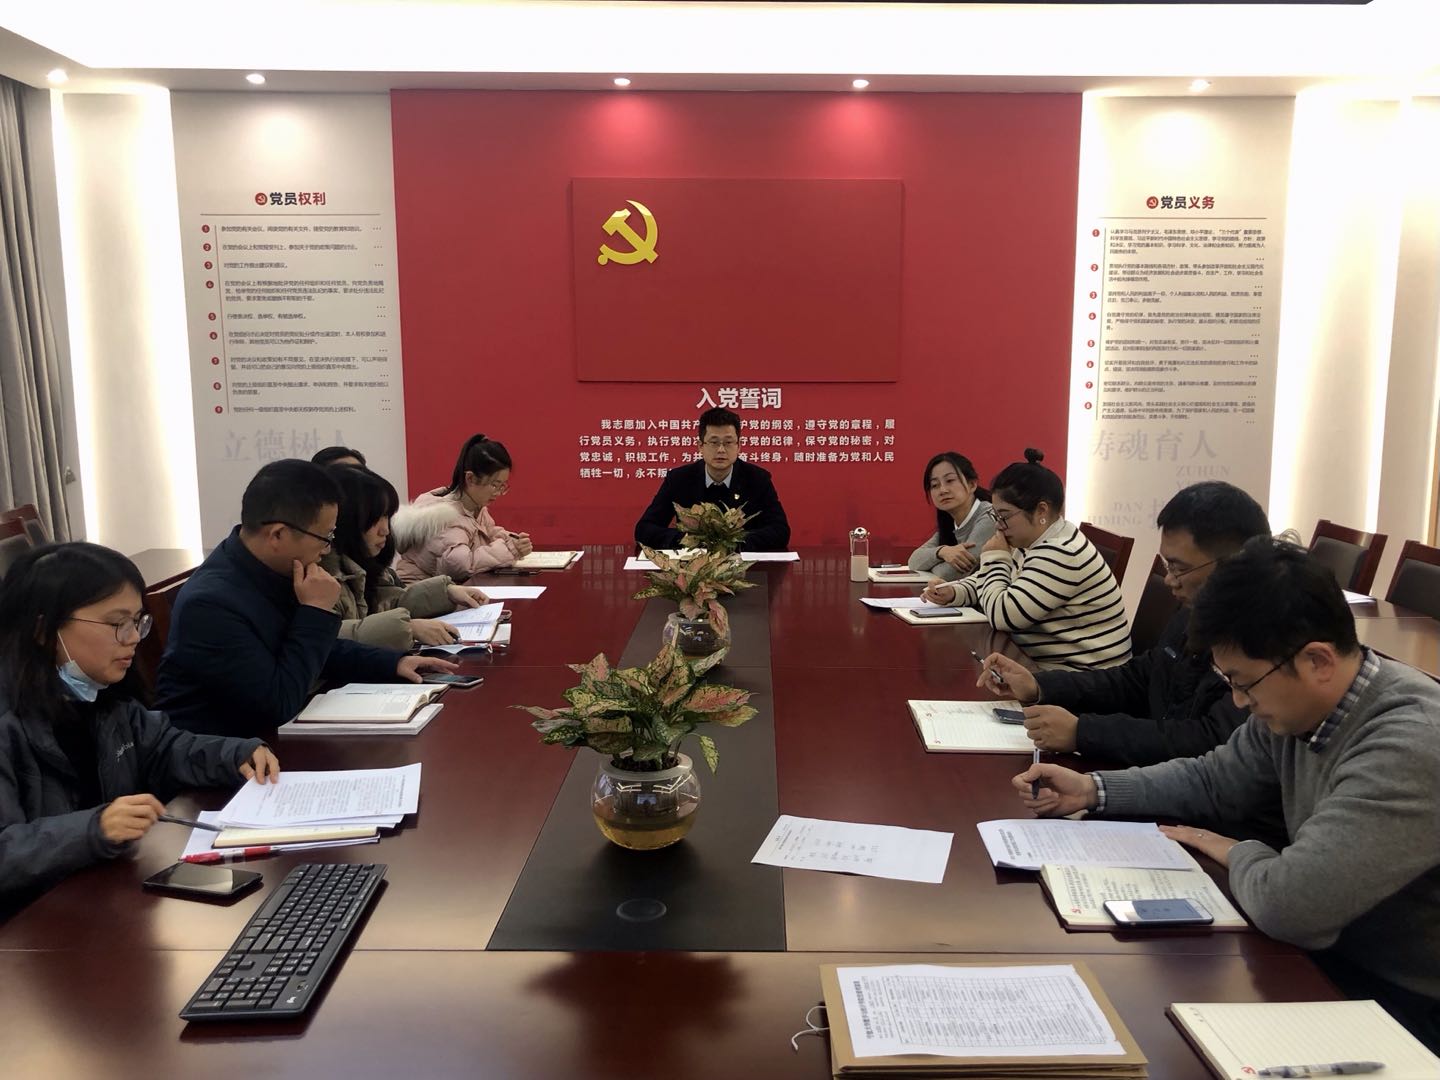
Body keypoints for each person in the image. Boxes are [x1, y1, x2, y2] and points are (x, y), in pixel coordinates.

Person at [1012, 538, 1440, 1053]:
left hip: (1406, 1000)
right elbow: (1214, 778)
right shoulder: (1298, 705)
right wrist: (1093, 789)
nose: (1238, 700)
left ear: (1318, 661)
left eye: (1245, 683)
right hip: (1328, 955)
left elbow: (1290, 906)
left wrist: (1239, 851)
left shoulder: (1411, 742)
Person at [0, 543, 281, 915]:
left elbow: (165, 749)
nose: (133, 637)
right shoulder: (9, 720)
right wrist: (94, 829)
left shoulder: (103, 698)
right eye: (117, 624)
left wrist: (235, 753)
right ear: (44, 630)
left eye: (137, 621)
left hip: (99, 897)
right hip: (28, 928)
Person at [155, 460, 457, 737]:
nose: (328, 549)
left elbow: (321, 650)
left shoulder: (270, 567)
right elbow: (278, 702)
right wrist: (315, 611)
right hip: (225, 756)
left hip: (273, 740)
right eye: (325, 537)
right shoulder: (211, 605)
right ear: (277, 535)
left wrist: (394, 663)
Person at [976, 481, 1269, 764]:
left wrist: (1083, 733)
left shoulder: (1264, 640)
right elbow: (1138, 679)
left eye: (1179, 568)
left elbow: (1209, 742)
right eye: (1167, 565)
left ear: (1234, 564)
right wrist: (1039, 685)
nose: (1169, 579)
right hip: (1153, 767)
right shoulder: (1194, 610)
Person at [921, 449, 1130, 670]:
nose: (998, 525)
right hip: (1046, 664)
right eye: (996, 515)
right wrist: (955, 592)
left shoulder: (1061, 552)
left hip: (1082, 676)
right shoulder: (1034, 540)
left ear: (1041, 511)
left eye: (1004, 516)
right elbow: (999, 583)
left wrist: (995, 558)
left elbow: (1002, 615)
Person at [323, 465, 489, 650]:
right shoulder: (323, 577)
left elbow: (388, 602)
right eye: (375, 519)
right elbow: (328, 636)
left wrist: (446, 592)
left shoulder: (367, 568)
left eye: (387, 517)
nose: (385, 530)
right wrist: (406, 628)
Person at [634, 407, 791, 552]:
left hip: (745, 566)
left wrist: (733, 543)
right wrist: (688, 540)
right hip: (692, 567)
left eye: (728, 442)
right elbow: (644, 529)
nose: (721, 450)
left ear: (739, 446)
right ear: (700, 446)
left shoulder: (758, 479)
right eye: (714, 442)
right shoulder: (679, 479)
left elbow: (780, 531)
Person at [391, 435, 532, 583]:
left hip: (443, 589)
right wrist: (510, 549)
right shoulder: (445, 517)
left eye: (503, 486)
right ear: (470, 478)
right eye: (494, 485)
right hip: (418, 590)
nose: (498, 492)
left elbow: (488, 533)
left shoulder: (475, 506)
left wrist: (512, 539)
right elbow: (459, 566)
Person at [907, 452, 997, 581]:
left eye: (950, 481)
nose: (943, 490)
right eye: (935, 485)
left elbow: (950, 574)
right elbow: (914, 561)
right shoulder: (951, 524)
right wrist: (942, 552)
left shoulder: (989, 516)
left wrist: (931, 566)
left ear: (972, 484)